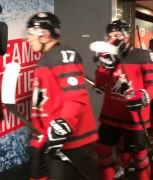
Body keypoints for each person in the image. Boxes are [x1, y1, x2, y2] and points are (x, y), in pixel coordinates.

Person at [26, 12, 98, 180]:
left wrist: (62, 125)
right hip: (48, 138)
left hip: (72, 142)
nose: (27, 38)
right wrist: (38, 139)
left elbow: (74, 98)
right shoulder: (45, 60)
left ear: (45, 34)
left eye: (30, 33)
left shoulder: (63, 55)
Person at [94, 19, 153, 180]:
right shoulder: (108, 55)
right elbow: (101, 83)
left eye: (117, 35)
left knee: (139, 156)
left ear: (126, 36)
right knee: (102, 149)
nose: (113, 39)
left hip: (135, 116)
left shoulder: (143, 55)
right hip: (111, 114)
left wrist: (144, 95)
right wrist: (103, 66)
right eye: (110, 36)